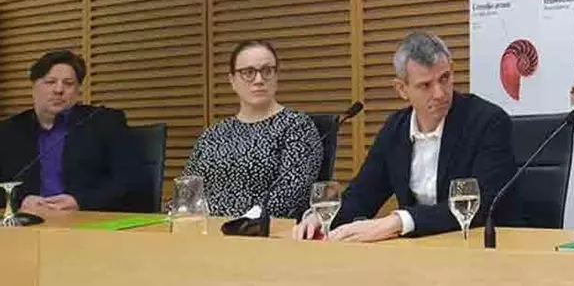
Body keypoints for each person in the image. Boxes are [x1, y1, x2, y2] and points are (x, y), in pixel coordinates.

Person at [293, 31, 517, 241]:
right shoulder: (396, 129)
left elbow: (484, 204)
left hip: (478, 245)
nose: (439, 93)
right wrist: (320, 218)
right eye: (425, 85)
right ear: (402, 89)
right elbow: (363, 194)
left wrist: (399, 222)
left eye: (444, 78)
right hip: (419, 249)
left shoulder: (487, 121)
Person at [181, 40, 321, 219]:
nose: (259, 80)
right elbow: (186, 194)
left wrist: (234, 223)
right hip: (204, 230)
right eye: (248, 73)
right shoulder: (213, 134)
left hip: (263, 231)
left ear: (276, 76)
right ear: (232, 80)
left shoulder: (297, 126)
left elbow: (290, 198)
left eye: (267, 71)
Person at [0, 50, 138, 214]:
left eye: (68, 83)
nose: (59, 90)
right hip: (27, 220)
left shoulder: (105, 122)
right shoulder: (8, 130)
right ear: (33, 86)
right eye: (50, 82)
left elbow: (130, 181)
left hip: (84, 219)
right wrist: (19, 201)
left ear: (78, 90)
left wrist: (80, 201)